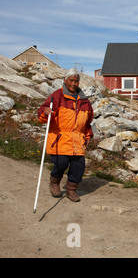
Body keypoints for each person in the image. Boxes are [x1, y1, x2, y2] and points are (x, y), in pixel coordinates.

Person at [38, 68, 94, 202]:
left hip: (78, 140)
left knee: (78, 167)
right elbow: (42, 113)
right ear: (65, 80)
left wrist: (88, 135)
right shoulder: (57, 96)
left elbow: (88, 122)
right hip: (60, 138)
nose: (74, 84)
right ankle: (54, 181)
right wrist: (45, 112)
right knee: (61, 163)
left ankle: (71, 190)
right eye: (71, 80)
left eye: (76, 81)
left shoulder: (84, 101)